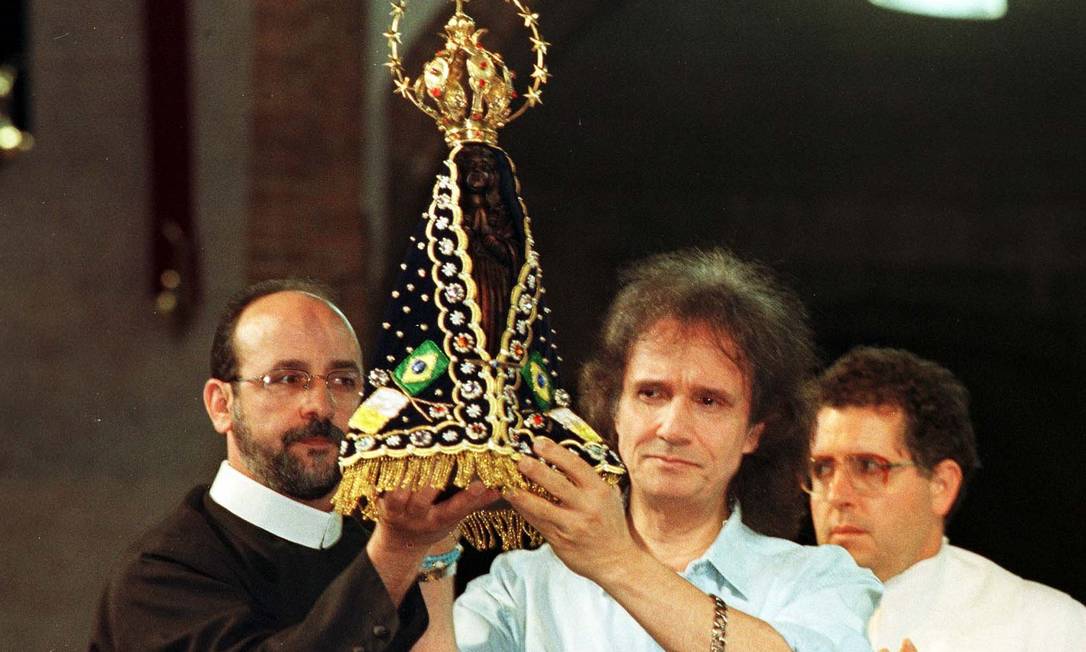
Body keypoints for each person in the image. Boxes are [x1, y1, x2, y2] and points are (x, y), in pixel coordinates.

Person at [416, 248, 882, 651]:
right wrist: (430, 553)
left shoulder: (819, 578)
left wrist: (616, 561)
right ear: (614, 409)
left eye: (709, 401)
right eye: (651, 393)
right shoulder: (524, 584)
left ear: (754, 431)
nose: (672, 428)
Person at [91, 279, 497, 651]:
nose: (321, 405)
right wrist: (398, 551)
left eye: (342, 381)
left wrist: (430, 546)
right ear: (221, 405)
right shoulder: (160, 577)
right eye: (286, 379)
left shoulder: (374, 545)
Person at [809, 346, 1086, 652]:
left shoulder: (1047, 630)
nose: (836, 495)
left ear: (941, 485)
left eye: (869, 467)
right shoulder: (766, 619)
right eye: (822, 468)